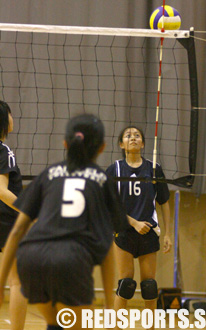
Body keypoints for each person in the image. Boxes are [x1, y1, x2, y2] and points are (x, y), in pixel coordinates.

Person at [0, 114, 129, 330]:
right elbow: (107, 248)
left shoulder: (48, 174)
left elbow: (17, 231)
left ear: (65, 144)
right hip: (73, 260)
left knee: (55, 323)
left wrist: (1, 280)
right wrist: (108, 302)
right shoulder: (102, 179)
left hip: (35, 259)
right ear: (102, 147)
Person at [106, 126, 172, 329]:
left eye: (137, 136)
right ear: (121, 144)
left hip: (148, 233)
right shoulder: (114, 169)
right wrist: (133, 222)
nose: (132, 138)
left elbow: (164, 202)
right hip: (125, 231)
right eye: (128, 135)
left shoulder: (153, 169)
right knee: (125, 284)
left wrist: (168, 233)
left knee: (149, 286)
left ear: (143, 143)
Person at [0, 100, 27, 330]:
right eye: (10, 114)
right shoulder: (3, 150)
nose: (12, 118)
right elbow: (2, 191)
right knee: (18, 281)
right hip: (7, 221)